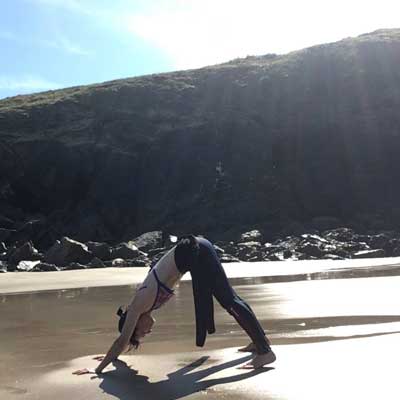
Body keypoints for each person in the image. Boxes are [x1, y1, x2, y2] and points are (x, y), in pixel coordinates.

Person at [73, 235, 275, 375]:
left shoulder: (138, 305)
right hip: (199, 247)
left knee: (229, 302)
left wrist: (98, 370)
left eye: (142, 333)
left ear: (134, 322)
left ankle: (265, 352)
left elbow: (121, 339)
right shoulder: (147, 306)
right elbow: (124, 341)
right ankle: (260, 342)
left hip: (197, 252)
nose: (147, 332)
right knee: (232, 298)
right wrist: (112, 357)